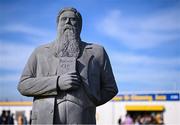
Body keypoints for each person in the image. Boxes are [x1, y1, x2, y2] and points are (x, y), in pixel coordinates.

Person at [18, 7, 118, 124]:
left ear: (80, 26)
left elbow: (111, 88)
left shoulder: (97, 52)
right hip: (45, 119)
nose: (68, 22)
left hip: (83, 119)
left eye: (73, 19)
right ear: (57, 25)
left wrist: (91, 101)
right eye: (64, 19)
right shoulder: (40, 52)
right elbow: (23, 85)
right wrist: (57, 82)